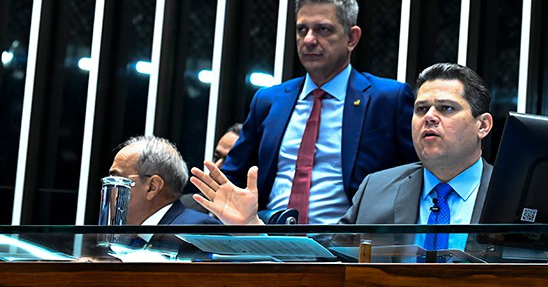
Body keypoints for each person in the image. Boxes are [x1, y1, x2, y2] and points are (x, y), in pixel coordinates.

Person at [190, 62, 494, 254]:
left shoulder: (513, 192)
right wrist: (253, 226)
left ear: (483, 125)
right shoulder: (378, 188)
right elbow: (324, 256)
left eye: (447, 108)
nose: (429, 117)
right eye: (420, 109)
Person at [218, 0, 416, 225]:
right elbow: (233, 176)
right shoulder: (268, 100)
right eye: (302, 29)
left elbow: (415, 178)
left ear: (352, 38)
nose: (309, 40)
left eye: (323, 29)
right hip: (268, 240)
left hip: (348, 248)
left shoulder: (388, 99)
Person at [107, 135, 220, 226]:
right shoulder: (129, 237)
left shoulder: (194, 229)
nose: (108, 189)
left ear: (152, 187)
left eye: (118, 180)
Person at [181, 123, 243, 215]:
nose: (216, 166)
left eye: (229, 161)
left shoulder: (261, 219)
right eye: (216, 157)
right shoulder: (183, 206)